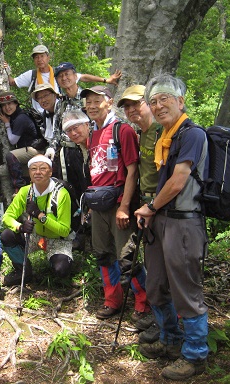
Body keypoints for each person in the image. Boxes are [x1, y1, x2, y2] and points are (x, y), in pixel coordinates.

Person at [134, 74, 209, 380]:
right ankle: (170, 339)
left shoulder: (191, 134)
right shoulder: (166, 137)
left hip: (184, 223)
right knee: (156, 285)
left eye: (165, 98)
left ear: (181, 101)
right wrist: (153, 211)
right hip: (162, 221)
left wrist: (150, 207)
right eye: (153, 101)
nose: (159, 104)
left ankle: (195, 356)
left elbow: (179, 181)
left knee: (186, 290)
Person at [82, 85, 148, 320]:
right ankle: (113, 300)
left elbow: (133, 171)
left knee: (127, 257)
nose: (91, 105)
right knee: (103, 255)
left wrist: (124, 206)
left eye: (96, 100)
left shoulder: (123, 130)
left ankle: (143, 302)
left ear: (109, 102)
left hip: (119, 203)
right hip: (98, 204)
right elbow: (96, 172)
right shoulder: (93, 134)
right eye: (87, 102)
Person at [118, 85, 163, 341]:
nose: (132, 110)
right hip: (146, 207)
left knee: (164, 269)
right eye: (127, 107)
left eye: (136, 104)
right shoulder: (140, 134)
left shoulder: (161, 131)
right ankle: (159, 316)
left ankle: (169, 325)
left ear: (149, 104)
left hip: (163, 209)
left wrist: (154, 205)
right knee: (151, 266)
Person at [1, 155, 73, 286]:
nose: (38, 172)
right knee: (7, 235)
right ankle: (23, 270)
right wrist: (20, 227)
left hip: (58, 240)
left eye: (43, 168)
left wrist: (40, 216)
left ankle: (55, 259)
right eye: (33, 169)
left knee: (62, 270)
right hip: (34, 235)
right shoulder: (25, 192)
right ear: (29, 172)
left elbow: (64, 230)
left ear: (50, 172)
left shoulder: (62, 194)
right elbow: (7, 217)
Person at [5, 45, 121, 112]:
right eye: (36, 57)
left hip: (59, 110)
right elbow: (12, 82)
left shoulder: (59, 73)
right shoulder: (32, 74)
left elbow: (84, 77)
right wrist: (5, 69)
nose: (39, 60)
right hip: (40, 116)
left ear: (48, 57)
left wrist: (106, 80)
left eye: (42, 56)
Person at [0, 91, 40, 192]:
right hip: (28, 149)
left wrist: (7, 124)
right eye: (4, 105)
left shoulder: (21, 118)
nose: (7, 107)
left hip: (35, 149)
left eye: (10, 104)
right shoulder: (16, 116)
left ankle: (19, 188)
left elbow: (13, 140)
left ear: (16, 104)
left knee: (11, 156)